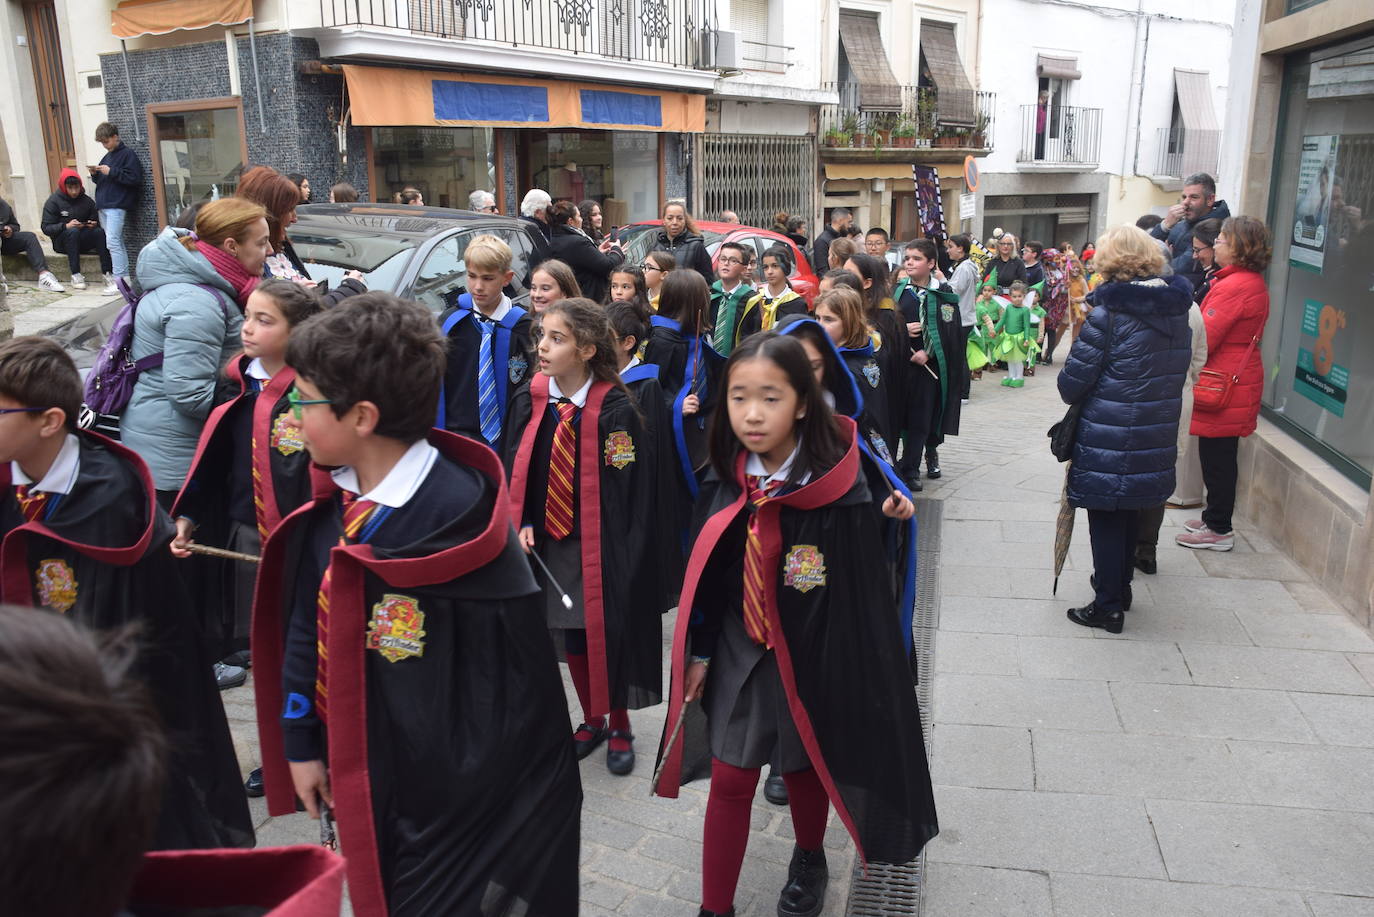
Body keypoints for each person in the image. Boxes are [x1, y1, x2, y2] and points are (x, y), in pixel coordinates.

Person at [251, 292, 581, 916]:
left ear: (363, 416)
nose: (290, 409)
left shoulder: (459, 522)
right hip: (361, 771)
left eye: (306, 397)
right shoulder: (331, 511)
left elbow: (508, 701)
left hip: (448, 808)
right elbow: (305, 623)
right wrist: (301, 740)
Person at [652, 332, 937, 917]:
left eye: (771, 398)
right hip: (740, 644)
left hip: (815, 647)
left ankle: (809, 854)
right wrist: (700, 651)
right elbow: (708, 574)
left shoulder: (840, 481)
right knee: (731, 776)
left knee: (806, 763)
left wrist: (890, 521)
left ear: (803, 401)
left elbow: (866, 582)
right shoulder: (725, 476)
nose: (752, 414)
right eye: (738, 397)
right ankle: (715, 907)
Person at [0, 337, 254, 851]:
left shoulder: (110, 500)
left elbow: (111, 638)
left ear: (49, 421)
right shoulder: (10, 479)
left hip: (116, 700)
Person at [505, 298, 675, 777]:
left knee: (607, 636)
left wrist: (627, 548)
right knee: (573, 639)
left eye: (555, 339)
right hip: (551, 540)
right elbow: (520, 465)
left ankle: (619, 723)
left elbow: (631, 490)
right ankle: (593, 718)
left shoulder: (617, 409)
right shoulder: (534, 398)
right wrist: (523, 518)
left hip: (603, 545)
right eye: (542, 336)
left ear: (585, 349)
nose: (542, 347)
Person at [171, 279, 323, 672]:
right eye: (247, 317)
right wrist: (188, 518)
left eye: (264, 320)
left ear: (297, 332)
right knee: (255, 626)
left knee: (301, 628)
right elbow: (212, 460)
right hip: (245, 529)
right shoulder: (237, 386)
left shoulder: (314, 393)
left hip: (301, 534)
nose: (248, 328)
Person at [1057, 225, 1193, 632]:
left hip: (1110, 432)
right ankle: (1122, 589)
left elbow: (1071, 385)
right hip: (1155, 428)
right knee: (1131, 510)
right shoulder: (1177, 309)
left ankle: (1108, 605)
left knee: (1105, 516)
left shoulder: (1108, 315)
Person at [121, 198, 271, 503]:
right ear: (231, 246)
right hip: (176, 462)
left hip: (174, 449)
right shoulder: (197, 303)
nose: (269, 251)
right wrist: (258, 405)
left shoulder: (206, 283)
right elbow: (190, 394)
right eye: (262, 242)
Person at [1176, 216, 1271, 553]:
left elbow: (1205, 337)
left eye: (1222, 239)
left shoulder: (1235, 286)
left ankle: (1219, 528)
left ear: (1240, 247)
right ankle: (1214, 516)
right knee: (1218, 453)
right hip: (1233, 378)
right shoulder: (1241, 281)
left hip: (1225, 382)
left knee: (1219, 457)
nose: (1215, 244)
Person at [436, 234, 532, 452]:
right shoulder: (451, 323)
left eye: (488, 278)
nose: (477, 286)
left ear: (507, 278)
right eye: (472, 276)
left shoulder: (524, 328)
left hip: (510, 442)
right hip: (456, 437)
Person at [1135, 292, 1208, 574]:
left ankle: (1130, 549)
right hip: (1176, 400)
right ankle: (1147, 549)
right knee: (1160, 476)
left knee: (1133, 477)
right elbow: (1200, 358)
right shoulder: (1191, 307)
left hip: (1140, 403)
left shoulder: (1133, 304)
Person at [643, 269, 725, 508]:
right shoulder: (662, 341)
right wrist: (676, 406)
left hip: (699, 431)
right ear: (693, 302)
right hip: (673, 436)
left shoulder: (695, 336)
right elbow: (651, 392)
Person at [238, 166, 367, 304]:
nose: (295, 218)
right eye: (289, 210)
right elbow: (297, 315)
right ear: (270, 214)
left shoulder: (281, 248)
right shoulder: (252, 264)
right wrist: (348, 290)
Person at [892, 239, 962, 483]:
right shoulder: (898, 291)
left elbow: (951, 331)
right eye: (907, 258)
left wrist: (928, 352)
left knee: (920, 419)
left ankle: (911, 470)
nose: (910, 262)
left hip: (928, 370)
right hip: (900, 366)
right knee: (897, 415)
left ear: (931, 263)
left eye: (917, 258)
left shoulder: (943, 295)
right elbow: (882, 323)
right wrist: (900, 329)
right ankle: (894, 464)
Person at [41, 169, 116, 294]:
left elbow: (94, 218)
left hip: (82, 237)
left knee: (98, 232)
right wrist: (65, 226)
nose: (74, 191)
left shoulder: (87, 201)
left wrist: (92, 223)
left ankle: (107, 272)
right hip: (62, 241)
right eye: (70, 188)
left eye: (76, 187)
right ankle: (75, 274)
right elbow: (46, 228)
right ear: (64, 187)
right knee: (73, 232)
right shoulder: (53, 202)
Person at [90, 122, 143, 284]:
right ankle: (123, 279)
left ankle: (120, 279)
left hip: (116, 205)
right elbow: (103, 180)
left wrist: (111, 171)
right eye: (102, 143)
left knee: (113, 242)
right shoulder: (107, 156)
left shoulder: (128, 154)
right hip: (105, 205)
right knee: (114, 242)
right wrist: (95, 174)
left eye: (106, 141)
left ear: (115, 137)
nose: (105, 146)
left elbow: (135, 179)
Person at [544, 199, 623, 303]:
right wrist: (616, 249)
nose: (581, 219)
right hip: (587, 299)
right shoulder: (578, 242)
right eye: (579, 216)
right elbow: (608, 266)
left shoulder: (556, 239)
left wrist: (597, 252)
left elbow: (581, 260)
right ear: (570, 221)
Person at [1150, 173, 1231, 271]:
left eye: (1194, 197)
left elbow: (1187, 266)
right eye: (1184, 197)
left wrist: (1164, 259)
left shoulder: (1217, 228)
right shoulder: (1177, 224)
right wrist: (1164, 226)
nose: (1185, 202)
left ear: (1210, 200)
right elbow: (1143, 251)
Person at [735, 245, 806, 345]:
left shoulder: (797, 303)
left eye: (775, 266)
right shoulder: (754, 300)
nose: (769, 272)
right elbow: (745, 334)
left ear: (786, 268)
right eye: (765, 267)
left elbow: (800, 338)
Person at [0, 191, 65, 291]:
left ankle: (44, 275)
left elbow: (15, 226)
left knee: (29, 237)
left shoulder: (4, 206)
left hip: (4, 242)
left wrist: (10, 229)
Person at [945, 233, 980, 401]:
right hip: (964, 316)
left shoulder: (964, 268)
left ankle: (962, 392)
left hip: (962, 317)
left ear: (960, 248)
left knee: (959, 356)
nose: (948, 251)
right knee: (958, 355)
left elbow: (953, 291)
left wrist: (940, 280)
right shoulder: (963, 266)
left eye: (950, 247)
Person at [649, 200, 714, 284]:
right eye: (670, 218)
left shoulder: (696, 246)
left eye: (679, 218)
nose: (675, 222)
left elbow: (707, 280)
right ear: (664, 221)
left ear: (685, 220)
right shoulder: (655, 246)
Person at [710, 240, 756, 356]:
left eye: (733, 261)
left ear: (744, 269)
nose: (726, 264)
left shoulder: (751, 300)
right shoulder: (709, 295)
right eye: (723, 259)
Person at [993, 281, 1035, 388]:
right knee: (1010, 359)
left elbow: (1026, 326)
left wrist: (1026, 338)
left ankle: (1019, 377)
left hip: (1018, 338)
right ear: (1010, 297)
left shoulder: (1025, 310)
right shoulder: (1009, 308)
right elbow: (1002, 321)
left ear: (1024, 296)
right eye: (1014, 296)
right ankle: (1011, 376)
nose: (1017, 299)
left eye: (1020, 296)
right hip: (1008, 337)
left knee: (1017, 359)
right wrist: (995, 330)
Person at [1180, 217, 1222, 304]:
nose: (1194, 256)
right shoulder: (1205, 275)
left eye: (1197, 250)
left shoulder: (1220, 283)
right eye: (1193, 250)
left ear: (1215, 247)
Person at [810, 207, 853, 275]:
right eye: (849, 222)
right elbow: (823, 272)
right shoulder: (822, 241)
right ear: (840, 220)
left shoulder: (842, 237)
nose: (850, 226)